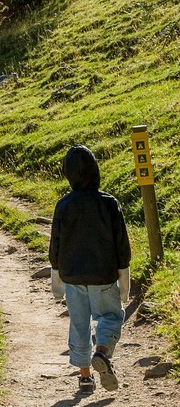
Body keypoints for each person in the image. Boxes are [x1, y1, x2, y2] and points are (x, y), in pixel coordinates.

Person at [49, 145, 132, 392]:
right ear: (96, 170)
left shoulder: (63, 206)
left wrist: (57, 281)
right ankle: (103, 352)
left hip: (73, 277)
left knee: (79, 323)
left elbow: (56, 245)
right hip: (103, 275)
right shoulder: (109, 203)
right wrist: (124, 283)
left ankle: (85, 377)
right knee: (111, 317)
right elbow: (122, 246)